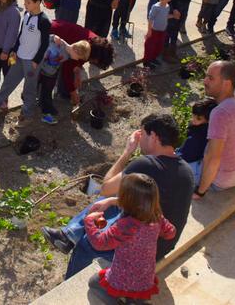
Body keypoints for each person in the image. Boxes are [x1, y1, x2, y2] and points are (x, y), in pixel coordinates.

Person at [41, 114, 193, 279]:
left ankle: (68, 285)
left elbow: (106, 188)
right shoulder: (186, 170)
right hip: (162, 245)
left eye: (142, 134)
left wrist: (127, 152)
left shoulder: (146, 164)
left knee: (88, 243)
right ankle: (69, 236)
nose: (139, 139)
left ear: (153, 136)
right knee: (110, 203)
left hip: (137, 252)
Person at [84, 173, 176, 303]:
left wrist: (89, 222)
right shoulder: (156, 216)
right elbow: (171, 232)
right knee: (135, 294)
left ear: (127, 199)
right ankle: (134, 301)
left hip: (122, 277)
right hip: (145, 278)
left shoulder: (127, 225)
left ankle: (115, 301)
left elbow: (100, 243)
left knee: (93, 283)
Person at [0, 0, 50, 120]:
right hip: (19, 57)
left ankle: (27, 114)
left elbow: (45, 44)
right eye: (24, 2)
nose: (25, 5)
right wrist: (14, 51)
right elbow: (21, 35)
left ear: (38, 2)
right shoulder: (26, 15)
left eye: (28, 3)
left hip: (31, 62)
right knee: (8, 82)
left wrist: (36, 61)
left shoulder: (43, 21)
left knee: (29, 89)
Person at [194, 61, 235, 198]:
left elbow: (213, 158)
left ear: (227, 84)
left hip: (219, 181)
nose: (205, 81)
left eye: (210, 78)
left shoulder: (220, 113)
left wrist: (200, 191)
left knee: (169, 168)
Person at [50, 19, 114, 105]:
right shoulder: (83, 48)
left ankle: (64, 93)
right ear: (96, 56)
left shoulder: (96, 45)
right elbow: (67, 70)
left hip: (59, 31)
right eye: (96, 62)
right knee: (47, 71)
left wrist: (77, 74)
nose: (94, 63)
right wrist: (73, 93)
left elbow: (78, 62)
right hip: (49, 33)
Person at [37, 36, 90, 125]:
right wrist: (54, 37)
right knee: (44, 92)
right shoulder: (61, 44)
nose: (78, 60)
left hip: (52, 73)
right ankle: (45, 114)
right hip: (41, 71)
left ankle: (47, 108)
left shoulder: (69, 55)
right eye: (79, 58)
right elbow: (47, 38)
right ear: (76, 51)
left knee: (47, 91)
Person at [176, 98, 217, 181]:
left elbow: (186, 157)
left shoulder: (198, 136)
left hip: (192, 166)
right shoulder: (209, 129)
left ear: (208, 120)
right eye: (193, 115)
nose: (193, 120)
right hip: (195, 161)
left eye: (198, 118)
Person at [143, 0, 178, 68]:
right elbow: (150, 19)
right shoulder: (156, 7)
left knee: (158, 46)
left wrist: (173, 16)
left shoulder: (167, 7)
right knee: (150, 46)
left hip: (162, 30)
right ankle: (147, 61)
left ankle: (153, 58)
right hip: (154, 30)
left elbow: (165, 16)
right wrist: (149, 30)